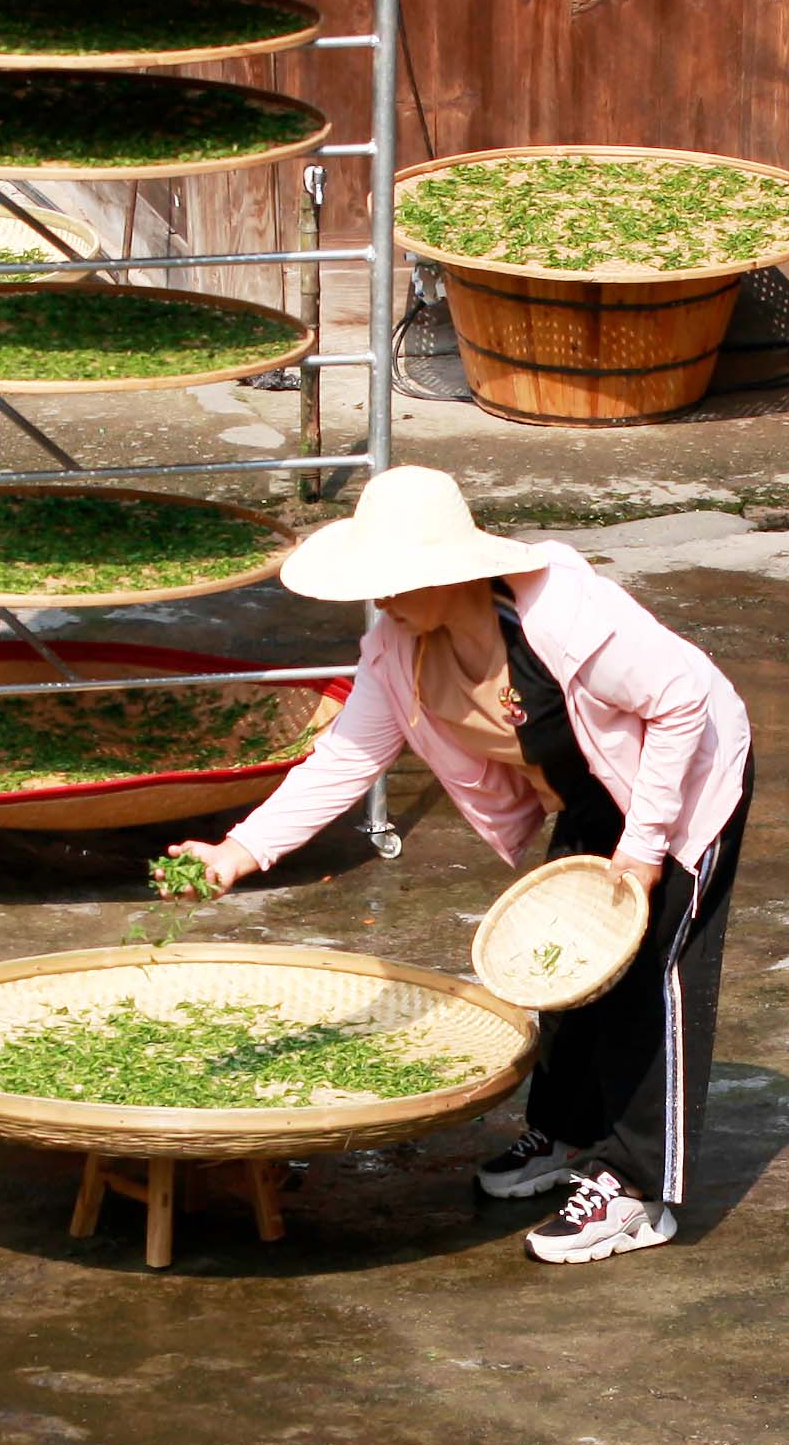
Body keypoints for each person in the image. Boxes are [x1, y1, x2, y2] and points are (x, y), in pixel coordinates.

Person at [189, 464, 754, 1267]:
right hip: (592, 788)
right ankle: (564, 1135)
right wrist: (240, 849)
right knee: (566, 966)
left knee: (651, 979)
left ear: (451, 570)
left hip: (685, 777)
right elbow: (346, 758)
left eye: (396, 578)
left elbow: (680, 704)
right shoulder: (397, 646)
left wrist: (646, 846)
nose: (382, 596)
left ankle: (638, 1189)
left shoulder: (562, 613)